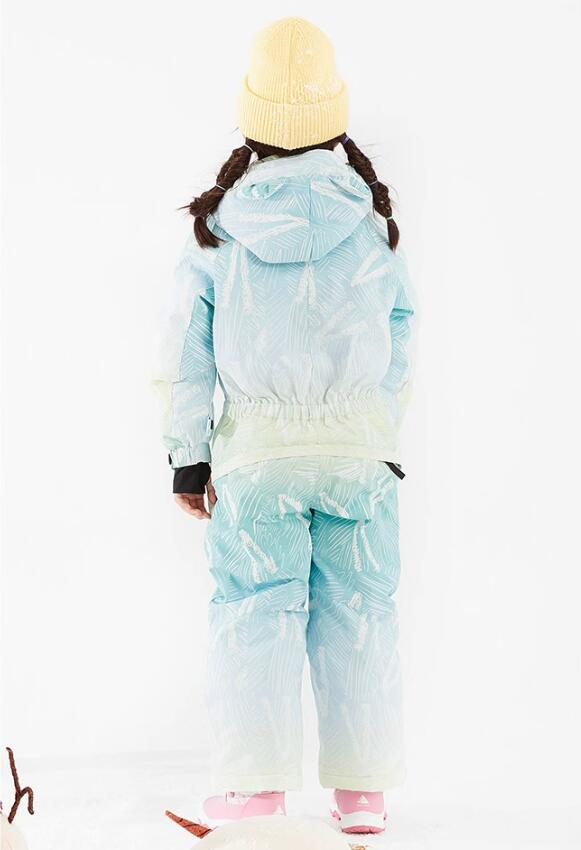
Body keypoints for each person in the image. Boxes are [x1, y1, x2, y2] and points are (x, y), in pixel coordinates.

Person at [153, 15, 416, 836]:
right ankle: (362, 795)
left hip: (256, 461)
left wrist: (188, 458)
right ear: (334, 115)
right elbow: (400, 330)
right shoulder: (371, 223)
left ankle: (254, 791)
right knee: (362, 612)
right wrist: (372, 425)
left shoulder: (218, 229)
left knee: (253, 612)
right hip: (359, 459)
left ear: (252, 118)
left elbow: (185, 351)